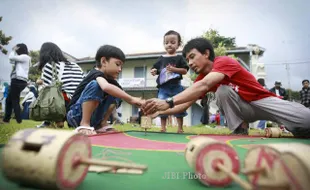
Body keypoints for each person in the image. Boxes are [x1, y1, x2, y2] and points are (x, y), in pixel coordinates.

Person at [142, 37, 310, 138]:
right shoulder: (201, 79)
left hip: (263, 101)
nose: (191, 63)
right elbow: (185, 104)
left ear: (206, 53)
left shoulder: (224, 61)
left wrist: (168, 102)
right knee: (222, 91)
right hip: (243, 109)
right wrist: (159, 111)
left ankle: (294, 126)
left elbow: (205, 84)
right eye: (188, 60)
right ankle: (239, 129)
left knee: (306, 121)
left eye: (192, 57)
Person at [67, 45, 144, 135]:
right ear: (103, 61)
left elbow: (120, 93)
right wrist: (131, 99)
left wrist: (143, 103)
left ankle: (101, 124)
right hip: (75, 115)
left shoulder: (110, 80)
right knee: (95, 85)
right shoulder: (95, 73)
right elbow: (105, 87)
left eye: (121, 67)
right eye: (117, 64)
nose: (120, 69)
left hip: (95, 117)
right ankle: (84, 123)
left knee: (118, 92)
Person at [36, 42, 84, 128]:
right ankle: (61, 121)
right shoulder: (75, 65)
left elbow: (45, 87)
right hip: (78, 102)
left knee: (45, 92)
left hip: (62, 103)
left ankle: (50, 121)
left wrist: (38, 82)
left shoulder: (50, 65)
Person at [150, 30, 189, 133]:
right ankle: (163, 127)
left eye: (172, 42)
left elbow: (184, 71)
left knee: (179, 106)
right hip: (163, 88)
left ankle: (180, 128)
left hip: (176, 86)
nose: (169, 45)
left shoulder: (180, 58)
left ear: (178, 44)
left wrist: (174, 69)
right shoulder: (161, 59)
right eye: (166, 43)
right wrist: (154, 71)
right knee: (162, 106)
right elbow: (156, 69)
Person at [2, 44, 31, 124]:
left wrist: (13, 50)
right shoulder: (23, 58)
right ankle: (6, 119)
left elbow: (11, 57)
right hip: (19, 80)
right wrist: (5, 49)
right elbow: (11, 60)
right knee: (9, 100)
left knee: (14, 100)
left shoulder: (25, 57)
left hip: (18, 80)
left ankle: (18, 120)